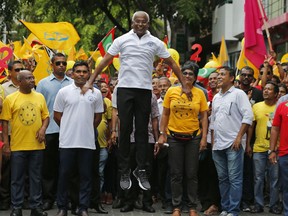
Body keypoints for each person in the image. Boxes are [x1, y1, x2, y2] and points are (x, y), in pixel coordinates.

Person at [82, 11, 190, 191]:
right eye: (137, 22)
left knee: (141, 131)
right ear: (132, 23)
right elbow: (105, 61)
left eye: (143, 22)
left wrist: (185, 86)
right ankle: (125, 170)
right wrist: (90, 80)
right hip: (125, 89)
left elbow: (172, 63)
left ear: (148, 24)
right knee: (125, 130)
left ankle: (141, 169)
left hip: (144, 90)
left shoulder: (155, 42)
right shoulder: (122, 40)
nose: (140, 25)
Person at [157, 61, 208, 216]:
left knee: (191, 174)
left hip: (193, 138)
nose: (187, 76)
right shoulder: (172, 91)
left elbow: (204, 116)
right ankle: (176, 206)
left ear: (195, 77)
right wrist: (162, 133)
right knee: (176, 174)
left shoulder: (200, 93)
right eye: (184, 72)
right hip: (174, 138)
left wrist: (204, 138)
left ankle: (192, 206)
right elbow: (165, 114)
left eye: (190, 74)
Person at [53, 61, 103, 216]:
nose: (81, 74)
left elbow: (98, 117)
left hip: (87, 142)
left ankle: (83, 208)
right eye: (78, 71)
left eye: (84, 71)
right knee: (64, 175)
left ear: (89, 73)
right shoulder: (64, 92)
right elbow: (57, 116)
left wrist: (85, 129)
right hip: (67, 142)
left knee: (86, 177)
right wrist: (69, 128)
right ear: (72, 73)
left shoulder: (96, 93)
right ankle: (62, 207)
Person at [0, 70, 50, 216]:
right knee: (17, 178)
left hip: (37, 146)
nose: (32, 80)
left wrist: (43, 129)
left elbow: (46, 116)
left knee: (36, 177)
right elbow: (4, 123)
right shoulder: (11, 99)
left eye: (33, 77)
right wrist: (6, 145)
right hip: (17, 146)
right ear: (20, 81)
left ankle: (36, 207)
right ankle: (16, 208)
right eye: (28, 78)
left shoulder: (40, 97)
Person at [211, 66, 253, 216]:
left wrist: (239, 137)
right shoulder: (216, 97)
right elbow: (213, 122)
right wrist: (213, 143)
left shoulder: (238, 94)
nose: (219, 77)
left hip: (233, 144)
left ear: (231, 78)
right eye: (218, 75)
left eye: (223, 74)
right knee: (223, 178)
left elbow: (248, 117)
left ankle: (233, 210)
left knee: (235, 179)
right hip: (218, 145)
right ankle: (225, 208)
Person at [36, 53, 73, 211]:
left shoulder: (73, 84)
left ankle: (67, 199)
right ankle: (48, 199)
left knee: (68, 167)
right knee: (49, 167)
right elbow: (39, 109)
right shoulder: (43, 84)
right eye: (58, 63)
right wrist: (41, 130)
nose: (61, 66)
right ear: (52, 65)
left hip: (70, 132)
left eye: (64, 63)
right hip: (50, 130)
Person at [248, 82, 281, 214]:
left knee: (275, 179)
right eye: (265, 89)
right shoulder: (256, 107)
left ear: (276, 93)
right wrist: (248, 145)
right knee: (258, 178)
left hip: (276, 149)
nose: (266, 91)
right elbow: (251, 126)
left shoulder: (280, 107)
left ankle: (274, 205)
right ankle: (258, 204)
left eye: (269, 89)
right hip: (259, 148)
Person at [238, 66, 264, 212]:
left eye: (249, 75)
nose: (246, 77)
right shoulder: (234, 92)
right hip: (236, 137)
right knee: (235, 172)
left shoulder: (258, 94)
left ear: (253, 78)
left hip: (252, 139)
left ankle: (247, 201)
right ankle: (236, 200)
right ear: (239, 77)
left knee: (248, 172)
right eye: (243, 75)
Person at [0, 60, 25, 210]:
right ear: (10, 72)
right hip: (9, 135)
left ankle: (23, 199)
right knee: (7, 169)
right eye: (17, 70)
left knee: (24, 170)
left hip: (26, 136)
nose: (20, 72)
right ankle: (5, 199)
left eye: (22, 69)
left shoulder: (30, 87)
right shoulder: (3, 89)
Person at [198, 72, 221, 216]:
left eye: (216, 78)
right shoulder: (205, 97)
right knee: (204, 173)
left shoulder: (224, 96)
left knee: (217, 175)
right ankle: (205, 202)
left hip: (221, 142)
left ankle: (216, 204)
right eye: (211, 78)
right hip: (205, 141)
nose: (213, 81)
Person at [269, 99, 288, 216]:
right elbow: (275, 128)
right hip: (285, 154)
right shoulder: (282, 106)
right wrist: (272, 150)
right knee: (286, 187)